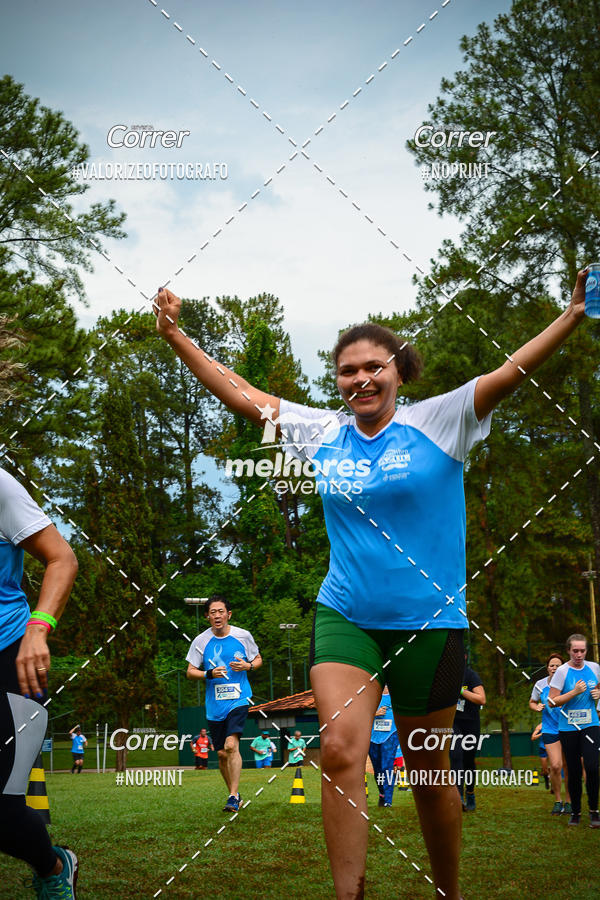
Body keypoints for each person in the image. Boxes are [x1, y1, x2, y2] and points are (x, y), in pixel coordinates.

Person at [156, 269, 590, 898]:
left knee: (427, 767)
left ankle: (448, 889)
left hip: (430, 625)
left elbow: (512, 372)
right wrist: (176, 336)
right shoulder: (323, 433)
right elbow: (243, 393)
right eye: (346, 370)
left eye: (373, 367)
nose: (360, 378)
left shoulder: (441, 420)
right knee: (338, 750)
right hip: (346, 618)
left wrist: (572, 315)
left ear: (398, 370)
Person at [0, 466, 79, 898]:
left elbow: (62, 557)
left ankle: (53, 866)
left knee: (3, 808)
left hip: (12, 661)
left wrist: (39, 627)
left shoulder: (0, 487)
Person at [185, 595, 262, 812]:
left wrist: (249, 667)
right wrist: (209, 673)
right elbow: (190, 672)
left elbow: (258, 659)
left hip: (239, 698)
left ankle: (231, 796)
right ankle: (235, 795)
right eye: (213, 612)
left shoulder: (243, 636)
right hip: (215, 705)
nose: (217, 615)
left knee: (231, 745)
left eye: (221, 611)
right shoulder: (200, 641)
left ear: (229, 614)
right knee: (220, 754)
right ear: (207, 616)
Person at [549, 633, 600, 827]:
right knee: (574, 770)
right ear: (568, 650)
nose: (579, 654)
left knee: (593, 767)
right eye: (575, 650)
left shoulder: (595, 668)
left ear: (587, 651)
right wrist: (573, 692)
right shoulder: (562, 671)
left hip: (591, 724)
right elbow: (552, 701)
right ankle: (576, 812)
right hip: (568, 727)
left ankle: (594, 811)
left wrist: (599, 693)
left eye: (582, 650)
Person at [529, 654, 570, 814]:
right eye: (552, 665)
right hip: (549, 729)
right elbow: (532, 702)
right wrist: (536, 706)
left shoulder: (568, 683)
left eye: (558, 665)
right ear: (547, 667)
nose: (554, 668)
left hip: (568, 728)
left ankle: (569, 802)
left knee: (567, 766)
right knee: (555, 765)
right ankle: (557, 800)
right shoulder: (540, 685)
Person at [450, 657, 485, 812]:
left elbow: (481, 699)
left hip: (470, 722)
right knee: (455, 755)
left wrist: (461, 691)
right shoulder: (445, 675)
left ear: (463, 657)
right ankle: (458, 796)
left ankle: (470, 792)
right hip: (453, 722)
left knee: (468, 760)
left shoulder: (470, 675)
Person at [368, 685, 398, 807]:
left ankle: (388, 801)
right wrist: (374, 713)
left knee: (387, 766)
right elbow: (358, 713)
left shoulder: (397, 695)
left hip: (390, 734)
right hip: (372, 736)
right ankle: (382, 794)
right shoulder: (370, 694)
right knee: (377, 769)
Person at [530, 724, 550, 790]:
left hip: (552, 748)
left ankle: (553, 785)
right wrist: (541, 734)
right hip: (543, 748)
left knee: (554, 767)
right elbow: (533, 737)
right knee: (545, 769)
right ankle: (546, 779)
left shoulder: (555, 722)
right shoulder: (540, 726)